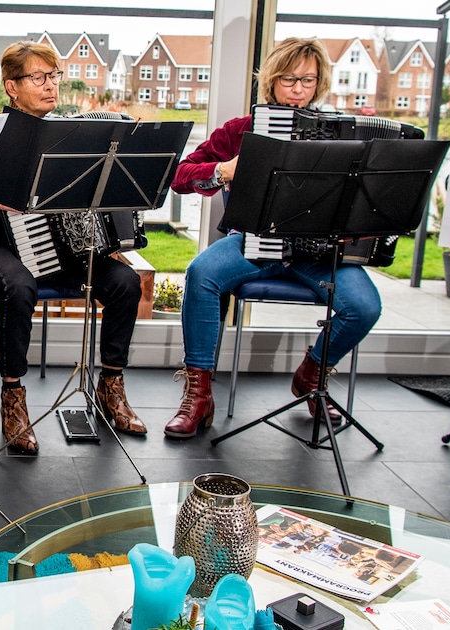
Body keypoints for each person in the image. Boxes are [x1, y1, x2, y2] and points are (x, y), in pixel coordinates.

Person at [164, 37, 382, 439]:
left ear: (320, 83)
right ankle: (199, 394)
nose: (298, 90)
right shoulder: (241, 130)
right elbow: (179, 177)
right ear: (271, 81)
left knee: (365, 306)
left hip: (317, 253)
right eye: (289, 80)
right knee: (201, 273)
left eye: (308, 81)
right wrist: (224, 170)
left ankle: (312, 372)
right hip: (255, 242)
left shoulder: (342, 134)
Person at [0, 41, 147, 454]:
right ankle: (13, 397)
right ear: (11, 86)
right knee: (19, 285)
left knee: (126, 283)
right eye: (38, 77)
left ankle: (110, 385)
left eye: (54, 77)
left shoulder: (74, 135)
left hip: (63, 250)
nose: (50, 86)